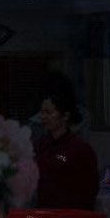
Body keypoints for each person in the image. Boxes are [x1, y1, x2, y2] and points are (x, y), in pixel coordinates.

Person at [32, 73, 99, 210]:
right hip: (43, 213)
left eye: (49, 112)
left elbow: (90, 190)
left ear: (65, 116)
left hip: (71, 215)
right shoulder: (40, 146)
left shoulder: (80, 150)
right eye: (42, 112)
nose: (43, 117)